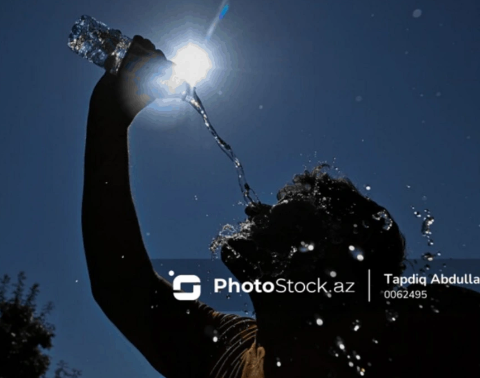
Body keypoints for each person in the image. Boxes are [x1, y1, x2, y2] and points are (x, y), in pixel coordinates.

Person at [81, 35, 480, 378]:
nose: (256, 211)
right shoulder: (234, 352)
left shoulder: (419, 331)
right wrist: (110, 116)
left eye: (291, 205)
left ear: (338, 248)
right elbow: (124, 287)